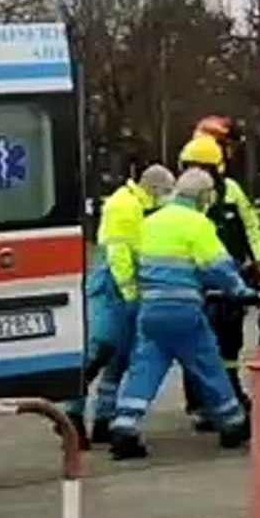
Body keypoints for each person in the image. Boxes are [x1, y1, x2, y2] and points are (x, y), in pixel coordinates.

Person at [109, 168, 260, 460]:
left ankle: (124, 425)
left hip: (151, 310)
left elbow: (135, 259)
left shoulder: (150, 222)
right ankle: (233, 423)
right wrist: (241, 290)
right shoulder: (198, 224)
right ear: (203, 197)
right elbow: (217, 266)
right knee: (208, 364)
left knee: (144, 369)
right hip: (184, 311)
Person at [65, 164, 175, 448]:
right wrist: (130, 293)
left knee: (120, 357)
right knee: (99, 349)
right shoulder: (123, 205)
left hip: (126, 285)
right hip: (112, 286)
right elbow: (118, 252)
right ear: (153, 189)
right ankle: (70, 417)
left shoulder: (138, 204)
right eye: (165, 193)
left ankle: (104, 417)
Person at [178, 121, 260, 424]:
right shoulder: (186, 198)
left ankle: (229, 392)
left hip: (228, 279)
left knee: (229, 341)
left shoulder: (231, 191)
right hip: (199, 283)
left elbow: (251, 226)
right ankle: (202, 403)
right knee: (199, 343)